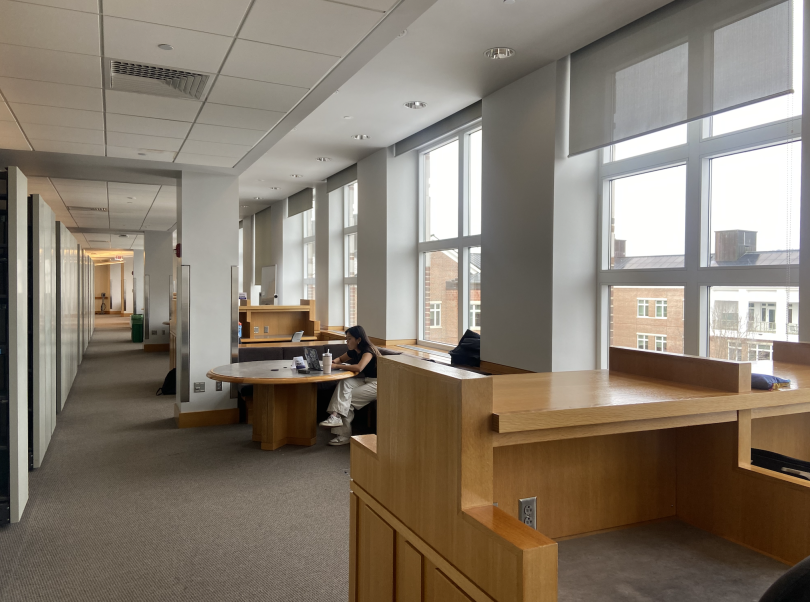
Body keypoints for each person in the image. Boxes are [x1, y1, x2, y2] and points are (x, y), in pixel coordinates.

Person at [319, 325, 380, 446]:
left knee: (347, 398)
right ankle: (335, 416)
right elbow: (340, 359)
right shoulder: (354, 351)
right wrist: (333, 362)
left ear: (358, 339)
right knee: (344, 382)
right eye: (346, 339)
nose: (347, 342)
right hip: (367, 380)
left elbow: (359, 367)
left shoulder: (368, 351)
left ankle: (344, 435)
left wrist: (337, 366)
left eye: (349, 339)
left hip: (379, 384)